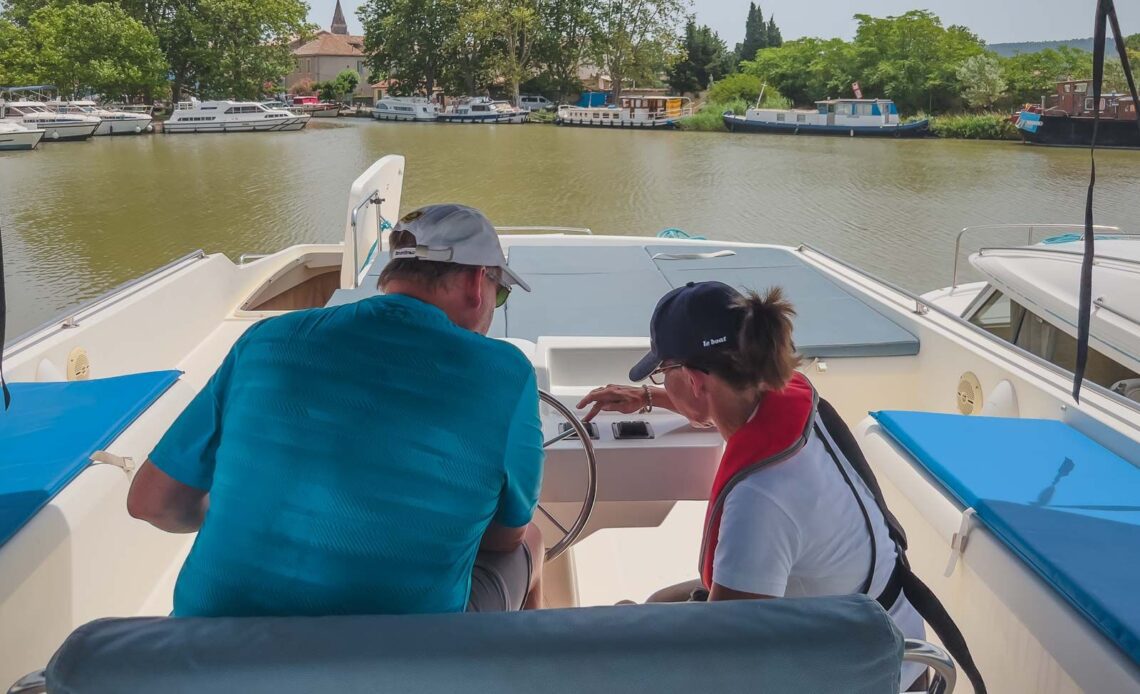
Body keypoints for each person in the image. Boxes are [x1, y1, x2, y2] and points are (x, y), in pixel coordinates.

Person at [128, 203, 545, 617]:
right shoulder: (505, 375)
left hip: (209, 647)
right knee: (534, 541)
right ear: (477, 281)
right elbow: (504, 539)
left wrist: (245, 517)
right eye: (501, 292)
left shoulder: (267, 340)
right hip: (398, 660)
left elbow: (151, 503)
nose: (496, 303)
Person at [577, 281, 936, 688]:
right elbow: (719, 399)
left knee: (627, 638)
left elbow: (729, 662)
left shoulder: (761, 498)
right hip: (893, 637)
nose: (661, 380)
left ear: (696, 382)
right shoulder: (786, 396)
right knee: (657, 607)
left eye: (664, 371)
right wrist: (649, 397)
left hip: (866, 674)